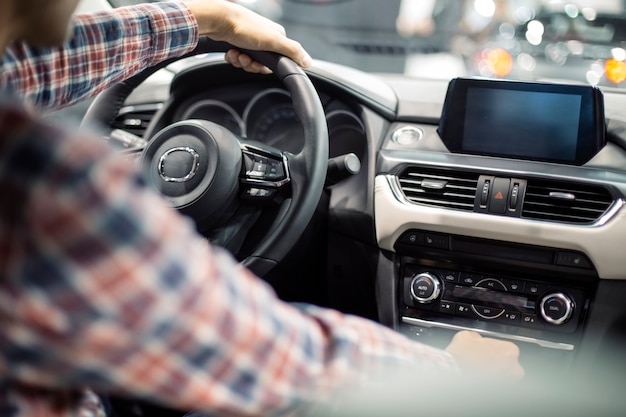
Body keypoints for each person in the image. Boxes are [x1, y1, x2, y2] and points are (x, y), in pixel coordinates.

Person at [0, 1, 524, 417]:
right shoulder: (42, 181)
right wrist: (452, 375)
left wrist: (207, 20)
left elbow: (20, 64)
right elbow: (252, 356)